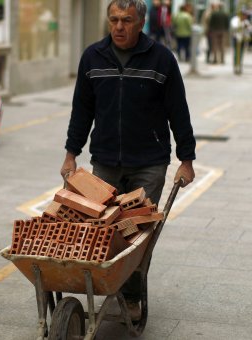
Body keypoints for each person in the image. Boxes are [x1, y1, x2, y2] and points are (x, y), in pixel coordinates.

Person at [60, 0, 196, 322]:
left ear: (141, 23)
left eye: (127, 20)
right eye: (114, 20)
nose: (119, 27)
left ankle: (132, 296)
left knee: (136, 236)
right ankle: (109, 285)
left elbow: (179, 110)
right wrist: (70, 153)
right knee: (105, 230)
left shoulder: (162, 59)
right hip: (105, 161)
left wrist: (186, 159)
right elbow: (82, 110)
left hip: (149, 162)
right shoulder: (93, 57)